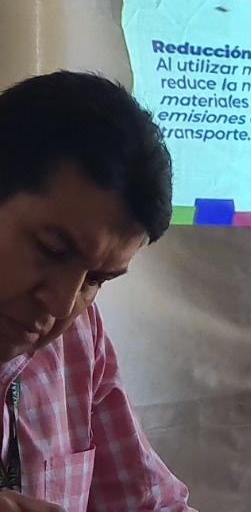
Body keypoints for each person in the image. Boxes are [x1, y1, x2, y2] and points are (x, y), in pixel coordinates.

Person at [0, 71, 194, 512]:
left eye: (96, 280)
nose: (62, 305)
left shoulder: (78, 339)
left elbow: (148, 503)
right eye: (52, 250)